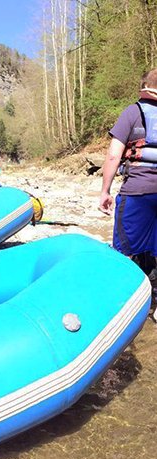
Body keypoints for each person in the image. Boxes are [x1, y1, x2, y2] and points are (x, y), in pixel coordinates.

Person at [99, 68, 157, 304]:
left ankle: (123, 302)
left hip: (137, 191)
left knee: (125, 249)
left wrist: (105, 191)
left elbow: (114, 156)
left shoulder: (132, 113)